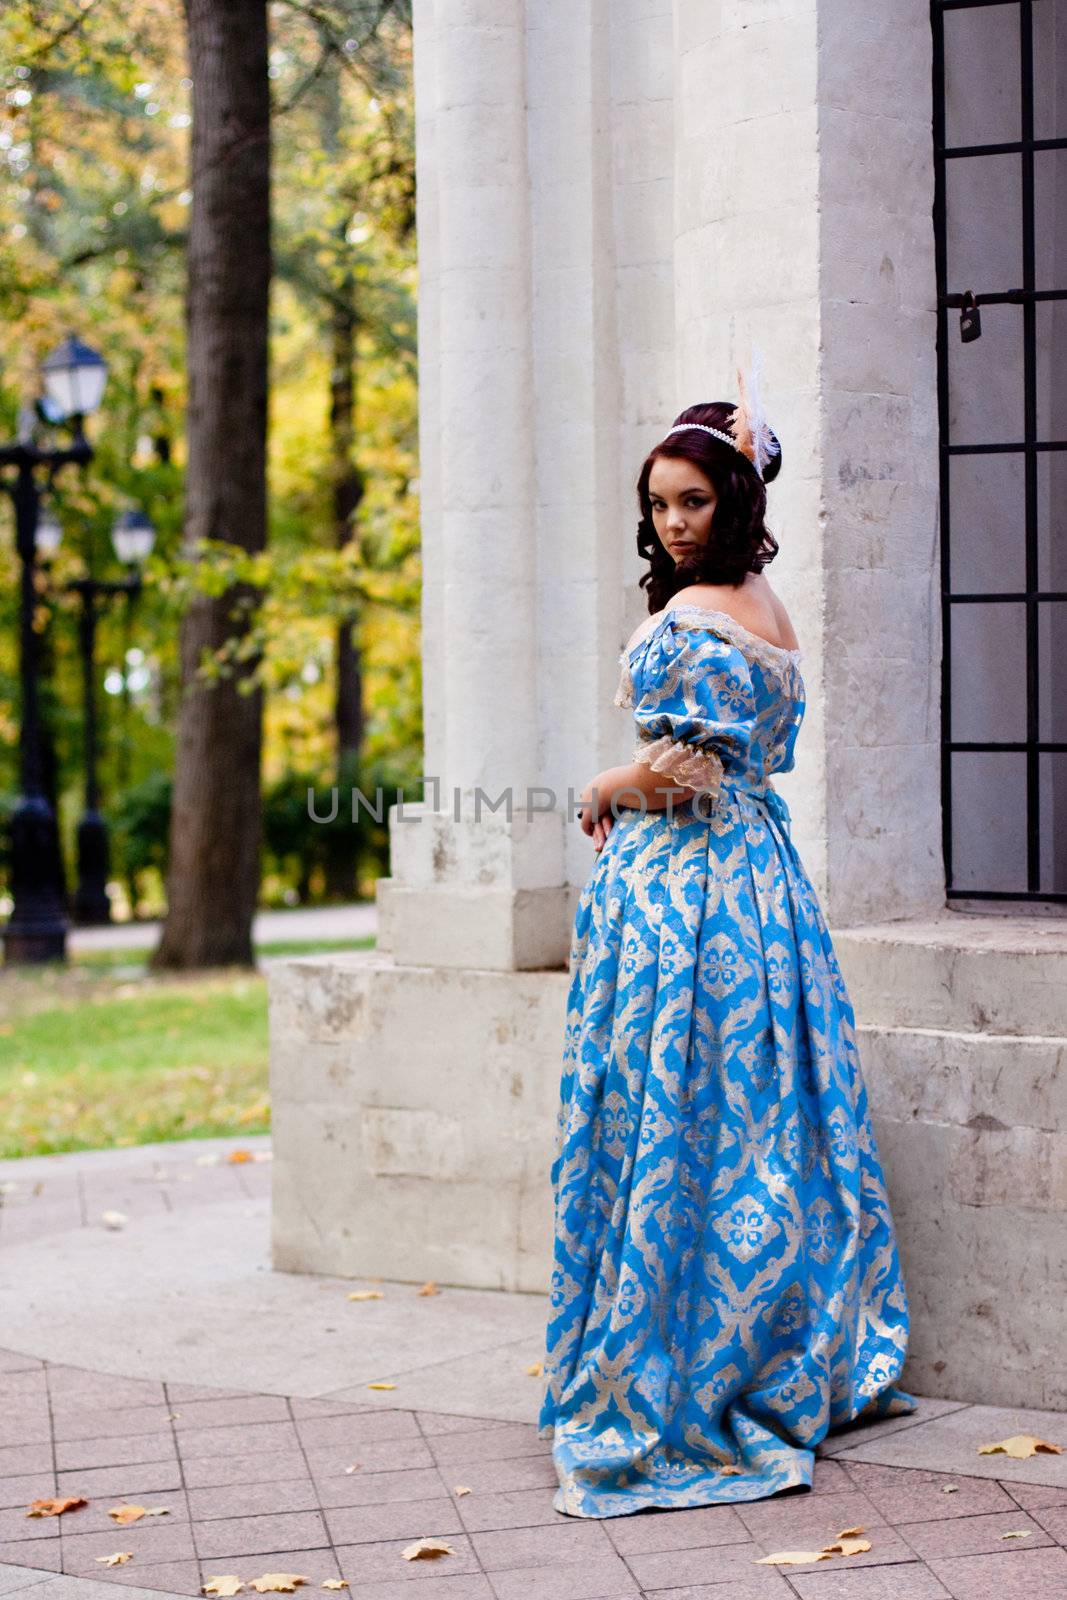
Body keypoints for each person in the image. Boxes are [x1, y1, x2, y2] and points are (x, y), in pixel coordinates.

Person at [536, 376, 916, 1519]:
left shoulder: (705, 616)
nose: (672, 522)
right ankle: (757, 1336)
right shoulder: (762, 605)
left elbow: (684, 771)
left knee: (680, 1110)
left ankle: (680, 1361)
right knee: (741, 1116)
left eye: (693, 500)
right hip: (751, 887)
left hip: (692, 900)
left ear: (737, 496)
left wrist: (606, 782)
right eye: (657, 504)